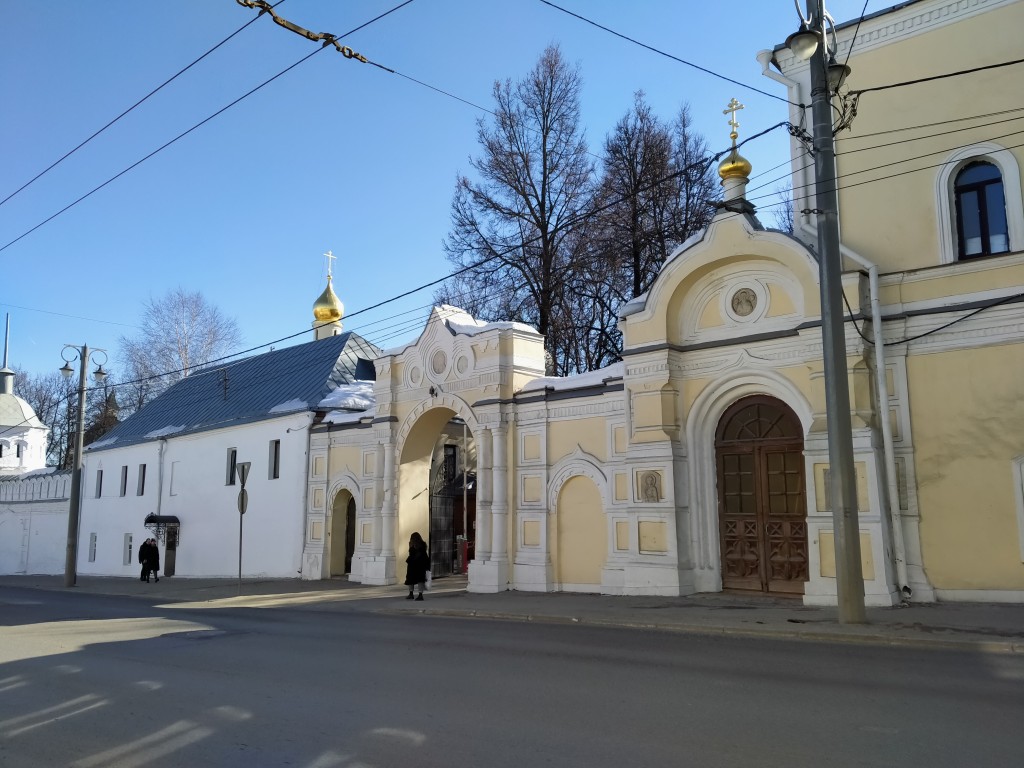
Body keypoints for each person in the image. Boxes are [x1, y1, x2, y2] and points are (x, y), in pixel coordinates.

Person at [404, 532, 430, 601]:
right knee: (420, 580)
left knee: (410, 579)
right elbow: (424, 555)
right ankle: (420, 594)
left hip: (412, 565)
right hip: (421, 565)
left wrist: (410, 546)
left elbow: (411, 554)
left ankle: (411, 593)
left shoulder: (412, 546)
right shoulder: (423, 545)